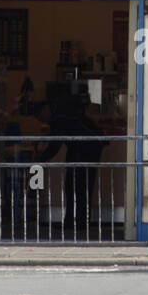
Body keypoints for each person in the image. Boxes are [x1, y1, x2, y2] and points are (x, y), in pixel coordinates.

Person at [37, 95, 108, 237]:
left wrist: (40, 158)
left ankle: (77, 223)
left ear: (46, 109)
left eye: (40, 116)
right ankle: (75, 221)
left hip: (85, 150)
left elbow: (54, 144)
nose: (40, 120)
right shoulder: (62, 114)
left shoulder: (59, 118)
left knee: (78, 187)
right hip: (86, 148)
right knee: (76, 187)